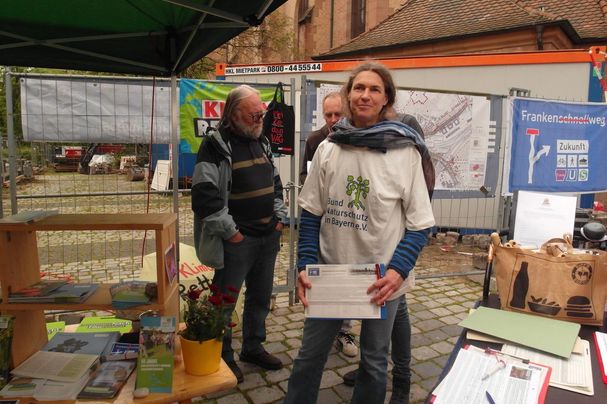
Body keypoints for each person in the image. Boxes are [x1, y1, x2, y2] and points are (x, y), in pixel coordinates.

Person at [283, 62, 435, 404]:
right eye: (359, 88)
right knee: (309, 358)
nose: (365, 95)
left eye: (374, 89)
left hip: (381, 277)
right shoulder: (329, 148)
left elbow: (420, 224)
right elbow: (310, 213)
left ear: (386, 100)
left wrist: (398, 271)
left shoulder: (405, 153)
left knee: (374, 362)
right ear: (349, 95)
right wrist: (305, 263)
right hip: (330, 272)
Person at [191, 84, 288, 384]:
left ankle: (252, 347)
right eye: (254, 113)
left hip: (267, 238)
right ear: (234, 114)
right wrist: (231, 234)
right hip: (238, 241)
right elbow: (204, 197)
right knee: (224, 302)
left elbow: (275, 183)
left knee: (260, 297)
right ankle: (223, 355)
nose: (260, 117)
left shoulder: (262, 141)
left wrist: (279, 220)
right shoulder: (215, 146)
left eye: (262, 112)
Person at [341, 113, 429, 404]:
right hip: (372, 244)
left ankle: (401, 377)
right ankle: (371, 368)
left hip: (398, 244)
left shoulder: (404, 129)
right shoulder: (346, 133)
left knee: (394, 310)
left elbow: (421, 189)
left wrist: (406, 244)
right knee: (386, 310)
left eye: (375, 90)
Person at [299, 91, 358, 358]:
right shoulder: (315, 140)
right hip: (321, 219)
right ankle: (320, 329)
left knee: (346, 275)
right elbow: (304, 174)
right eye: (328, 115)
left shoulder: (358, 138)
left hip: (349, 222)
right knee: (324, 273)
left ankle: (345, 329)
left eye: (338, 114)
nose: (333, 120)